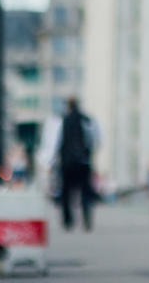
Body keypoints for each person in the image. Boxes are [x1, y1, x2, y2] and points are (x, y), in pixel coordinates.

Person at [39, 97, 102, 231]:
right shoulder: (87, 120)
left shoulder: (60, 120)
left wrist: (48, 163)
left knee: (66, 192)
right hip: (83, 162)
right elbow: (95, 139)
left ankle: (68, 220)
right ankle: (86, 219)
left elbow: (53, 143)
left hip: (66, 162)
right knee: (85, 191)